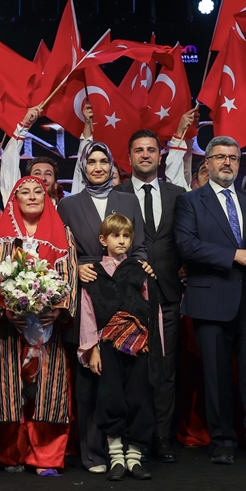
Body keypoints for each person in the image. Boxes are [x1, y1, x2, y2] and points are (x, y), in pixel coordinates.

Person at [174, 135, 246, 466]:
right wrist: (234, 254)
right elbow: (186, 246)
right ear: (208, 163)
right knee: (216, 377)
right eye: (220, 157)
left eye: (233, 157)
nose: (228, 163)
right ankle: (222, 439)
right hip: (210, 300)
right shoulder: (190, 201)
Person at [59, 140, 147, 473]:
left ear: (112, 166)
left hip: (125, 295)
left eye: (103, 161)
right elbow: (60, 248)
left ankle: (128, 449)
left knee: (127, 380)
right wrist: (75, 266)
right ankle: (94, 453)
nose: (98, 167)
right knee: (91, 379)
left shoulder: (128, 199)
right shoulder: (68, 204)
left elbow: (140, 246)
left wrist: (142, 269)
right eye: (91, 161)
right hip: (89, 291)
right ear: (83, 167)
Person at [0, 177, 78, 476]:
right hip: (11, 327)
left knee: (47, 392)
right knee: (10, 390)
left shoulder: (63, 230)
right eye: (24, 192)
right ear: (15, 199)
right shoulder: (1, 232)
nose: (32, 196)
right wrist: (6, 309)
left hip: (49, 327)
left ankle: (46, 458)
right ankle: (13, 454)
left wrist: (58, 308)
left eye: (38, 191)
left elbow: (70, 273)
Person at [117, 129, 185, 463]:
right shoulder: (115, 195)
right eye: (139, 150)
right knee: (132, 371)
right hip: (128, 297)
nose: (145, 155)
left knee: (165, 369)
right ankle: (134, 437)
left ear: (161, 156)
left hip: (169, 295)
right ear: (129, 157)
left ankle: (161, 436)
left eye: (151, 150)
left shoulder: (178, 194)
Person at [78, 213, 158, 481]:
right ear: (103, 240)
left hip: (139, 345)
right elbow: (87, 311)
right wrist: (91, 348)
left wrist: (154, 344)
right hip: (108, 346)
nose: (121, 241)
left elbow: (151, 307)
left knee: (138, 397)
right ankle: (116, 458)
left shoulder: (139, 269)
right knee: (111, 398)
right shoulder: (93, 273)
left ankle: (135, 458)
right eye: (115, 236)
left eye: (126, 236)